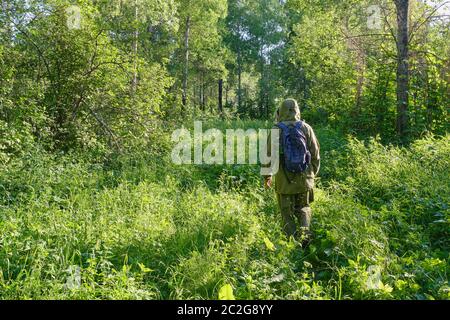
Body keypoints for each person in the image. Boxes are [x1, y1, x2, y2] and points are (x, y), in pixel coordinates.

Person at [263, 98, 320, 246]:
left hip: (284, 180)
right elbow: (315, 155)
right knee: (303, 209)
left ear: (280, 111)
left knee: (286, 213)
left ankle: (291, 245)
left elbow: (269, 155)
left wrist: (267, 176)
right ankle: (305, 240)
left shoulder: (276, 129)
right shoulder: (306, 128)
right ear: (297, 111)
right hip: (304, 179)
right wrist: (311, 174)